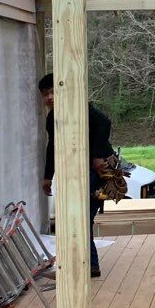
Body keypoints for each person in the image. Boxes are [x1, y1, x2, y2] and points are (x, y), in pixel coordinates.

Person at [39, 72, 112, 278]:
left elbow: (105, 123)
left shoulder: (80, 108)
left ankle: (89, 264)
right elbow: (52, 147)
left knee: (82, 217)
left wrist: (96, 155)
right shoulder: (52, 118)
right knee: (79, 218)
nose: (49, 97)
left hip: (96, 172)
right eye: (45, 94)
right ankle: (89, 264)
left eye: (53, 92)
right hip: (76, 172)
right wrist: (48, 176)